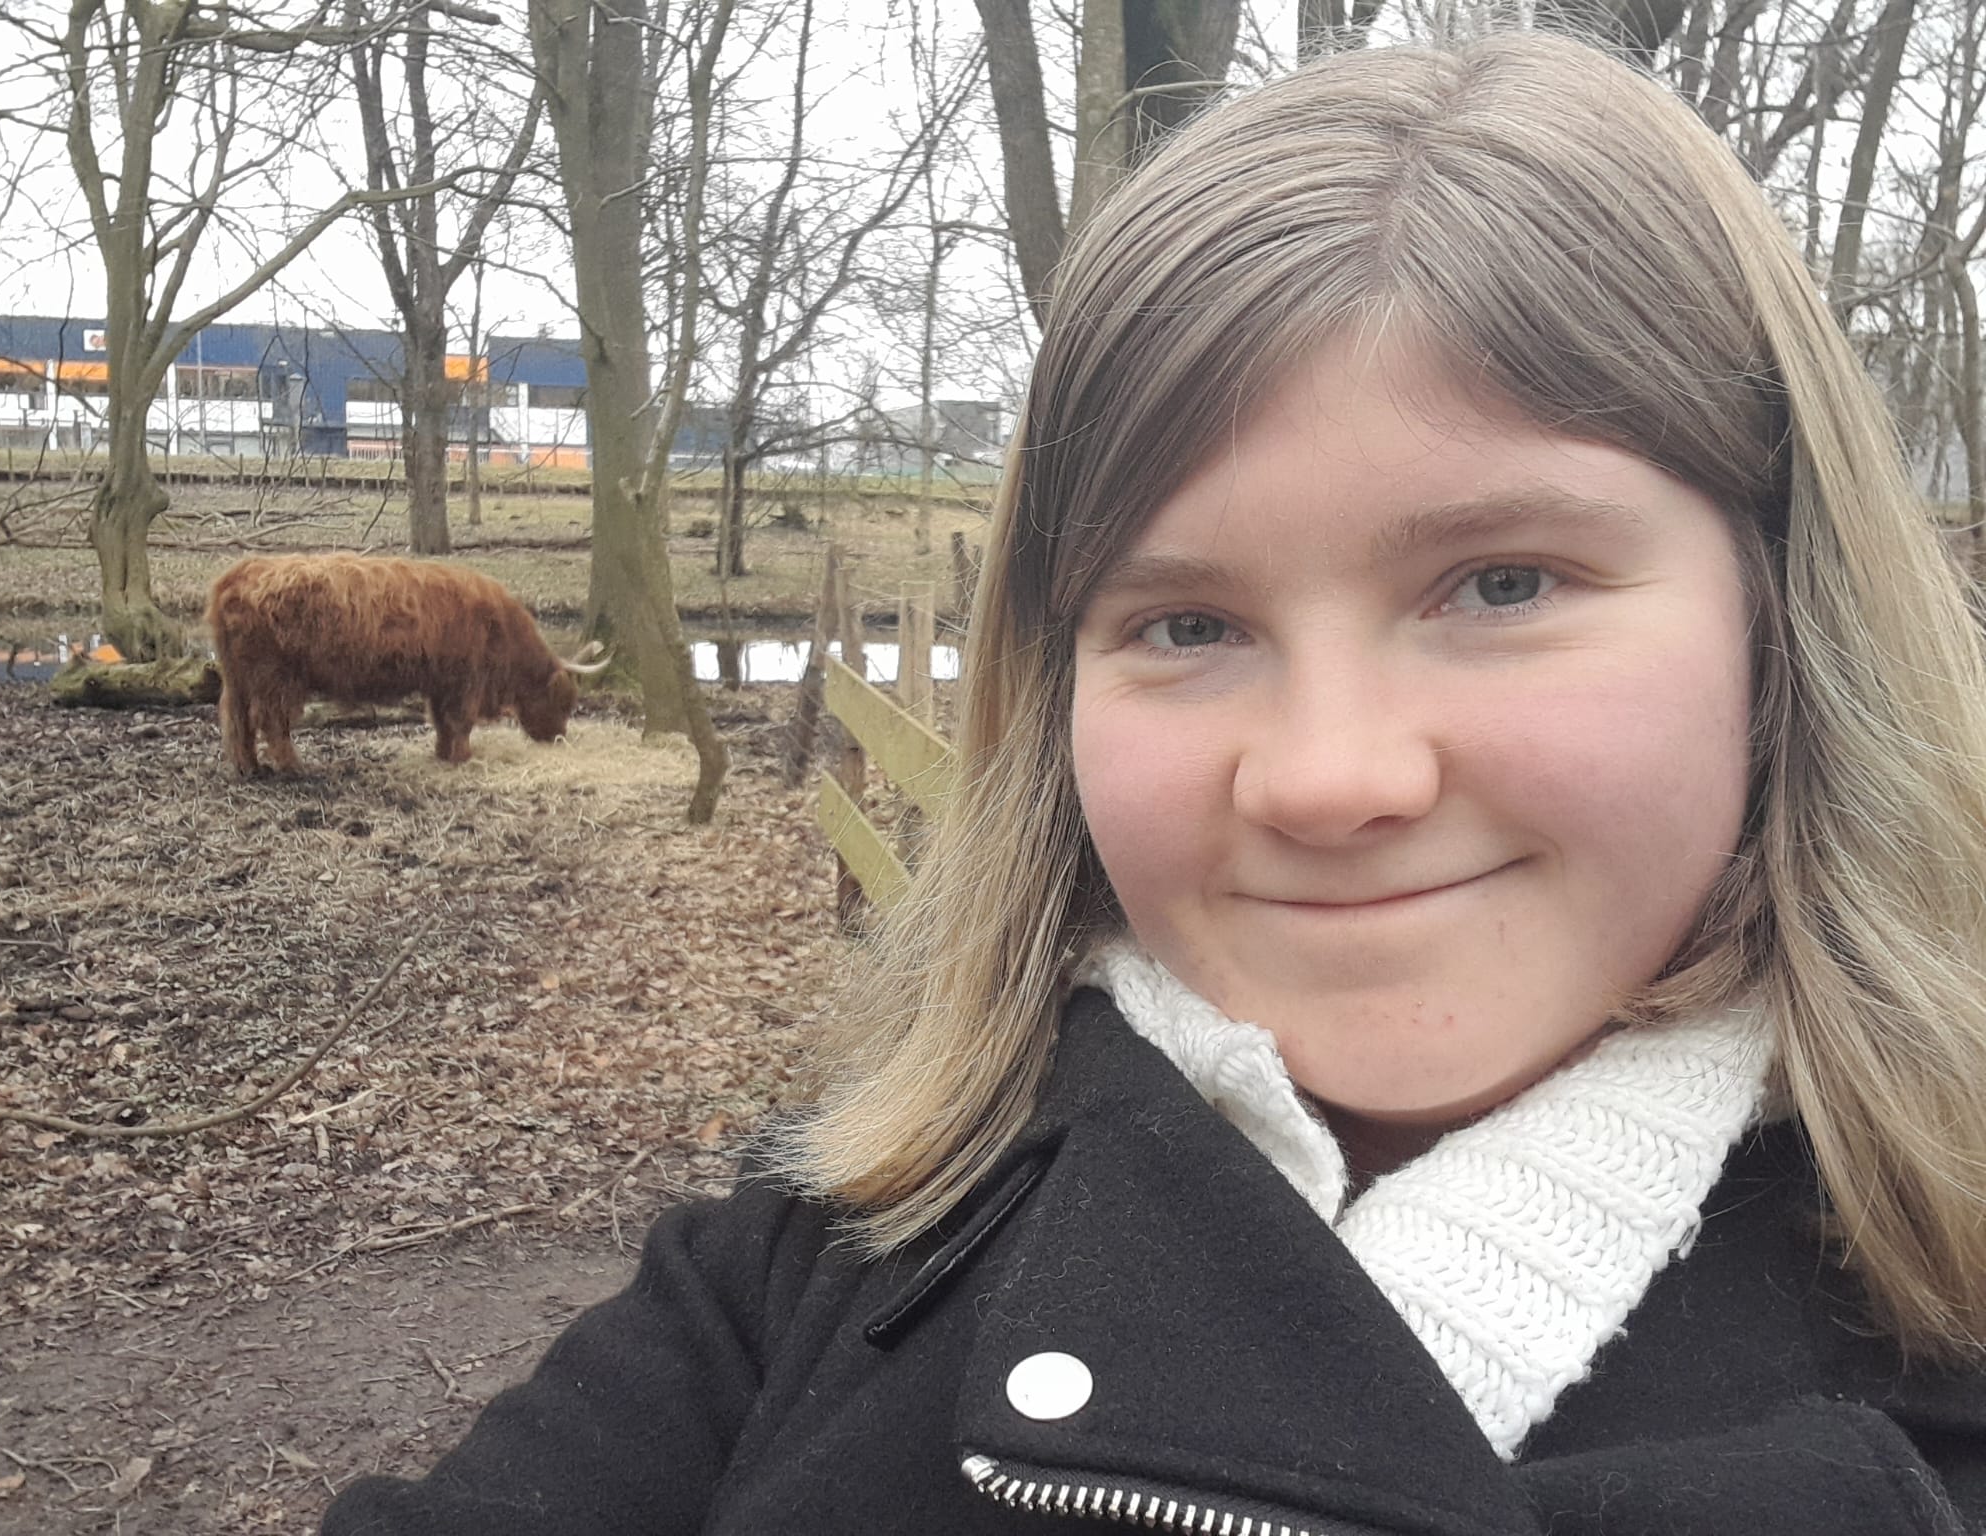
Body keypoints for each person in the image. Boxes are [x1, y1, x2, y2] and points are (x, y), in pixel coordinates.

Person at [322, 28, 1986, 1536]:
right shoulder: (824, 1255)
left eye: (1504, 584)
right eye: (1187, 619)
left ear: (1786, 614)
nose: (1331, 779)